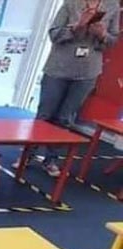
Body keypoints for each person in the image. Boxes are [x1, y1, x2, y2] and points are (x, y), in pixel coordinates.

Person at [17, 0, 120, 176]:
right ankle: (28, 155)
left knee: (65, 118)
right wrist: (77, 26)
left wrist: (103, 35)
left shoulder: (112, 6)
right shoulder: (70, 3)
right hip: (58, 68)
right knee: (45, 114)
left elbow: (112, 41)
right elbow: (54, 35)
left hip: (88, 72)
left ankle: (51, 159)